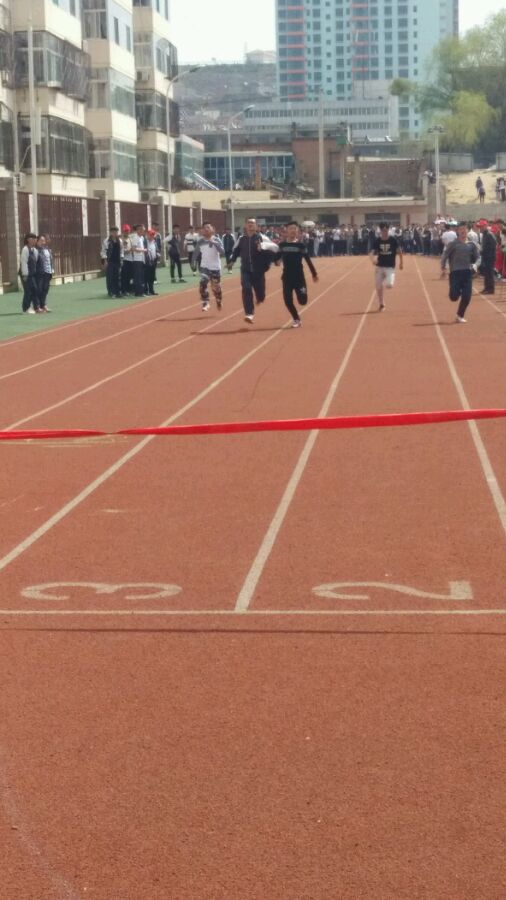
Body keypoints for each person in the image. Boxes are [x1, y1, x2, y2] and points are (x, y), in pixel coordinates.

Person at [273, 221, 318, 328]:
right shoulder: (282, 245)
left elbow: (308, 260)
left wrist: (314, 274)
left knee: (303, 301)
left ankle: (301, 298)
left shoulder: (301, 245)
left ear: (298, 231)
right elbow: (277, 260)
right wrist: (276, 261)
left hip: (299, 278)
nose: (293, 230)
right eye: (291, 228)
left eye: (295, 228)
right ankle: (296, 319)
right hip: (287, 277)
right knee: (287, 300)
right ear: (286, 231)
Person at [228, 217, 273, 324]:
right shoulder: (241, 239)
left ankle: (260, 298)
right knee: (246, 288)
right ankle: (249, 313)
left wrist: (267, 264)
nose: (250, 225)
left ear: (256, 226)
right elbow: (236, 251)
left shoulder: (262, 238)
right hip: (246, 270)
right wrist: (232, 261)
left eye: (252, 223)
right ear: (245, 225)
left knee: (261, 295)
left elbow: (271, 250)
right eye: (248, 223)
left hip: (258, 271)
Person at [440, 223, 479, 323]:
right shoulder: (453, 244)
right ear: (457, 231)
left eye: (464, 229)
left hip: (467, 273)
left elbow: (479, 257)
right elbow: (445, 256)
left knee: (467, 297)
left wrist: (475, 265)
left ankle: (459, 315)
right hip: (455, 273)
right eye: (461, 229)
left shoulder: (472, 244)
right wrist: (443, 268)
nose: (463, 231)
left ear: (467, 231)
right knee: (453, 297)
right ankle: (457, 290)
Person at [369, 221, 403, 311]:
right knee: (378, 286)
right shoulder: (377, 241)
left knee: (389, 285)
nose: (385, 232)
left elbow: (399, 251)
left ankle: (387, 278)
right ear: (380, 230)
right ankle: (381, 304)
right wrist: (373, 259)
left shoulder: (393, 240)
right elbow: (371, 252)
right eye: (383, 230)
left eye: (386, 230)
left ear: (388, 229)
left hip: (390, 267)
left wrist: (401, 263)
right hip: (380, 266)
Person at [194, 222, 225, 311]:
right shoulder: (200, 241)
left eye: (208, 227)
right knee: (202, 284)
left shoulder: (217, 239)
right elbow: (196, 253)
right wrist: (193, 262)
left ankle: (218, 300)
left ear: (212, 229)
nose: (206, 229)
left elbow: (222, 252)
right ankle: (206, 302)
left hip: (215, 268)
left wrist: (214, 243)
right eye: (204, 228)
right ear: (202, 230)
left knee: (216, 288)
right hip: (204, 267)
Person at [20, 233, 40, 314]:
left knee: (34, 289)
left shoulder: (35, 250)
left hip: (33, 274)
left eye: (35, 239)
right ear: (28, 239)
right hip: (26, 274)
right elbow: (24, 262)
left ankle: (35, 307)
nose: (35, 240)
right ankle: (26, 308)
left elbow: (36, 262)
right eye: (33, 238)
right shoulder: (25, 249)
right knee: (28, 291)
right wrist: (25, 274)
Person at [101, 225, 123, 298]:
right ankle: (111, 292)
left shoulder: (120, 240)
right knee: (110, 277)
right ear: (110, 232)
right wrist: (105, 261)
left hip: (117, 261)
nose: (115, 233)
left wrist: (121, 259)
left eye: (116, 231)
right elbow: (103, 251)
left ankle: (118, 292)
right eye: (113, 232)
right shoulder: (106, 241)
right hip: (109, 261)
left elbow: (122, 250)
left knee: (117, 277)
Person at [35, 234, 54, 311]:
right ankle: (37, 306)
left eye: (44, 241)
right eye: (41, 241)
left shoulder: (47, 249)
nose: (43, 242)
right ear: (37, 241)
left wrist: (52, 269)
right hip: (40, 273)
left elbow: (50, 260)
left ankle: (43, 305)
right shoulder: (36, 250)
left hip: (48, 272)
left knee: (45, 290)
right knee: (39, 289)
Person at [479, 222, 497, 295]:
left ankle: (490, 289)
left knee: (489, 273)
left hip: (490, 257)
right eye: (480, 227)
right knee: (486, 273)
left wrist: (485, 251)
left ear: (485, 226)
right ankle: (487, 288)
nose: (480, 228)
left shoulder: (489, 234)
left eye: (481, 226)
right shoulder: (484, 235)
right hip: (485, 256)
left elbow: (494, 244)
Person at [130, 223, 147, 297]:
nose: (144, 231)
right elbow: (134, 248)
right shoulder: (136, 237)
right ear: (139, 230)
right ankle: (138, 292)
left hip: (141, 259)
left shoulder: (141, 237)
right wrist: (143, 250)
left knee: (141, 276)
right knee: (138, 277)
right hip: (137, 260)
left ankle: (140, 291)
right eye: (143, 229)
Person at [144, 229, 159, 295]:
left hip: (153, 261)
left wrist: (157, 254)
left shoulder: (154, 242)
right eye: (150, 235)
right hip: (147, 261)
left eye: (152, 235)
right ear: (147, 235)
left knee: (152, 277)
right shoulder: (145, 242)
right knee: (147, 276)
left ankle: (151, 290)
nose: (151, 236)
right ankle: (146, 291)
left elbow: (157, 250)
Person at [120, 224, 134, 296]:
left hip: (131, 259)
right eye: (125, 231)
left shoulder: (130, 239)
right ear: (123, 231)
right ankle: (123, 290)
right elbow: (122, 251)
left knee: (129, 276)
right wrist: (129, 250)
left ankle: (128, 289)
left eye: (128, 231)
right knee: (124, 276)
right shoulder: (121, 240)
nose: (127, 232)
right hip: (124, 260)